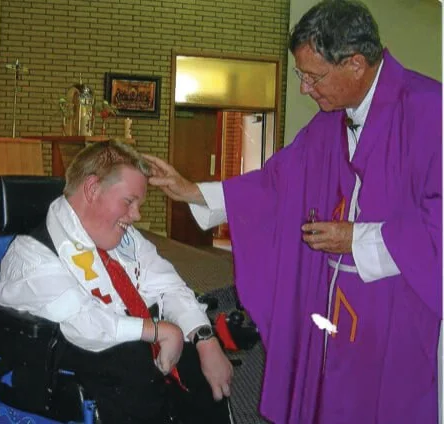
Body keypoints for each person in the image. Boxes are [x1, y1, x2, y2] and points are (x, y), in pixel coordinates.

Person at [145, 1, 442, 423]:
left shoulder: (432, 111)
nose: (304, 88)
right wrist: (191, 190)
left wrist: (355, 238)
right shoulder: (330, 123)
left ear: (356, 64)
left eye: (312, 76)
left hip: (394, 308)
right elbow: (273, 187)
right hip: (331, 303)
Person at [0, 140, 234, 424]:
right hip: (77, 364)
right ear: (92, 189)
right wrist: (157, 331)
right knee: (132, 362)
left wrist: (204, 339)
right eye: (129, 201)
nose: (136, 215)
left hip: (135, 361)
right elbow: (84, 322)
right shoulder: (32, 254)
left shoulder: (125, 239)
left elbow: (168, 285)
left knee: (197, 355)